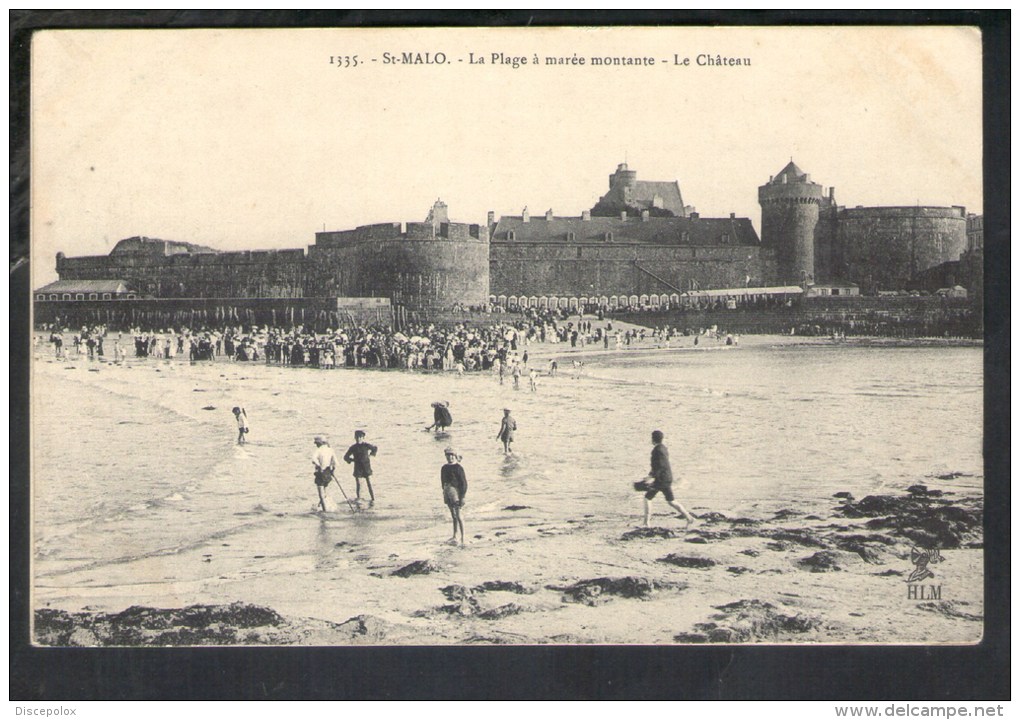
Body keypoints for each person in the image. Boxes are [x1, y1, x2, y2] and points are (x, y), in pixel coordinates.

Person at [643, 430, 697, 530]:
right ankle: (689, 518)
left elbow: (659, 466)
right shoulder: (663, 448)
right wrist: (651, 475)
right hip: (667, 478)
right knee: (671, 501)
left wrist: (651, 476)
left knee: (647, 498)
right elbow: (661, 465)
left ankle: (646, 523)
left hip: (660, 480)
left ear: (653, 439)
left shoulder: (656, 450)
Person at [343, 430, 379, 504]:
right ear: (355, 438)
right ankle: (359, 499)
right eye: (357, 437)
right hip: (358, 467)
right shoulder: (353, 447)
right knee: (359, 484)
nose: (358, 439)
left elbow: (375, 448)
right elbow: (346, 457)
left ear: (363, 438)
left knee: (369, 483)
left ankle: (373, 499)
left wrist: (372, 455)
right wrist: (352, 460)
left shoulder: (366, 445)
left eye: (360, 437)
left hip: (366, 466)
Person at [440, 447, 467, 545]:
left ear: (455, 456)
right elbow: (442, 481)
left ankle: (463, 537)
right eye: (448, 455)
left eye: (452, 455)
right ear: (446, 456)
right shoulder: (444, 467)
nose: (450, 457)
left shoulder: (458, 468)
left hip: (456, 493)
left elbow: (463, 483)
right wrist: (444, 491)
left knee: (459, 515)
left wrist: (462, 496)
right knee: (453, 515)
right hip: (447, 491)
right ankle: (455, 535)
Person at [312, 436, 338, 512]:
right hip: (328, 473)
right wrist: (332, 470)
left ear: (319, 443)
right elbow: (335, 462)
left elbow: (313, 459)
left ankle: (325, 511)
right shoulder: (330, 450)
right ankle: (322, 506)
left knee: (321, 495)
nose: (316, 445)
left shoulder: (318, 450)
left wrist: (319, 466)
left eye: (316, 443)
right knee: (325, 492)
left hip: (321, 473)